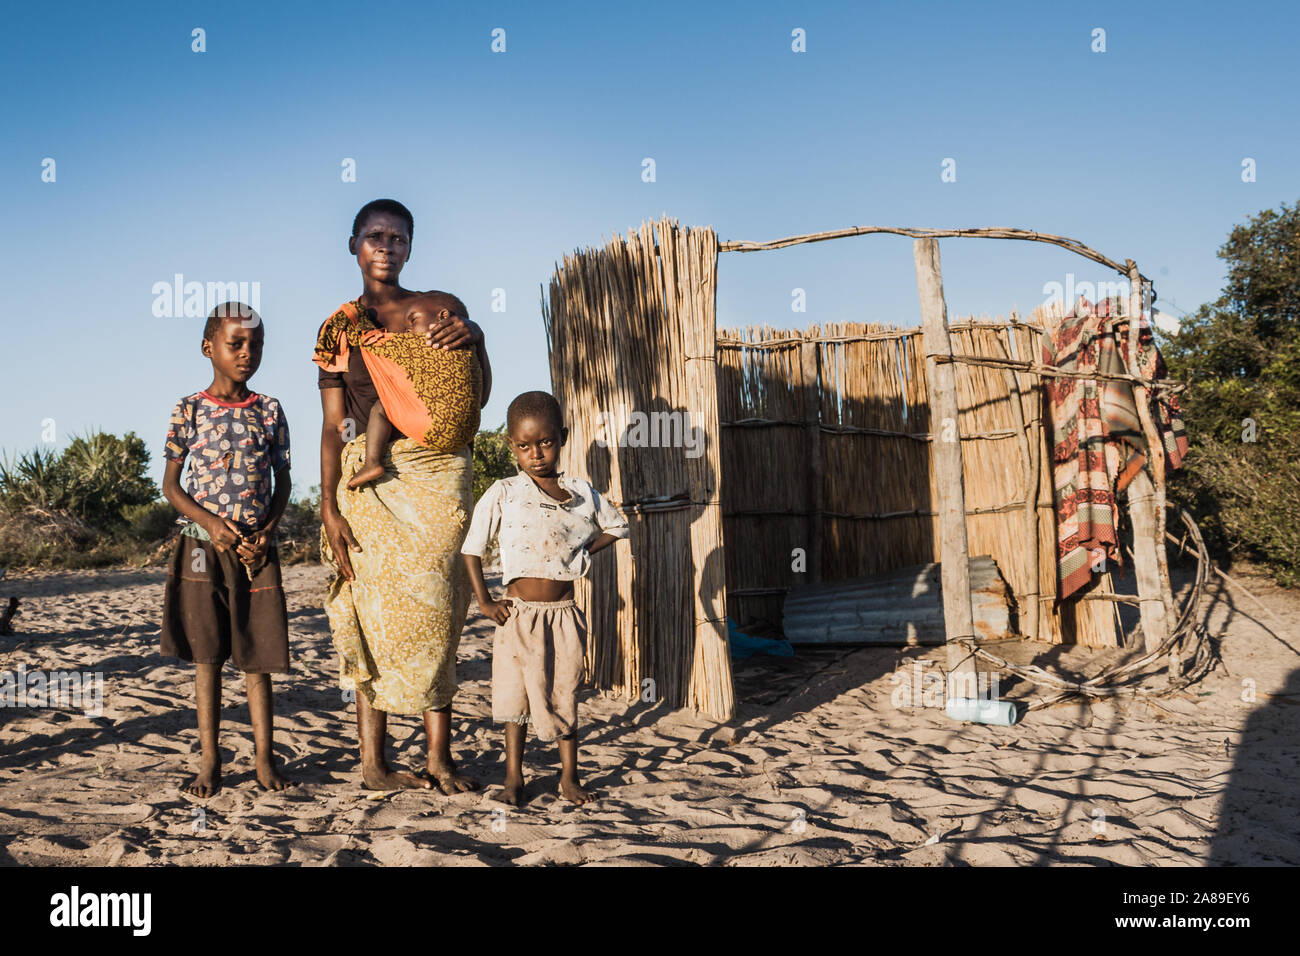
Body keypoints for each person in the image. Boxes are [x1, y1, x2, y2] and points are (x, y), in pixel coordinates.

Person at [318, 198, 491, 792]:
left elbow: (473, 399)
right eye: (374, 236)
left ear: (410, 248)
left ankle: (438, 759)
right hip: (366, 486)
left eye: (397, 237)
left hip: (436, 477)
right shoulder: (339, 327)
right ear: (354, 245)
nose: (385, 246)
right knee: (373, 614)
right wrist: (328, 506)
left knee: (439, 614)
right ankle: (374, 763)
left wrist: (476, 339)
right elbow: (331, 424)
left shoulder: (439, 314)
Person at [461, 391, 628, 806]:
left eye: (545, 442)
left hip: (563, 614)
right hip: (515, 615)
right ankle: (514, 779)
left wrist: (584, 550)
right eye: (524, 445)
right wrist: (484, 601)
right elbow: (471, 549)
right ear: (511, 446)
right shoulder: (503, 493)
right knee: (514, 697)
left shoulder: (580, 493)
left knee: (563, 692)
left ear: (562, 437)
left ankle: (568, 777)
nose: (535, 453)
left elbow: (619, 526)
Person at [160, 302, 292, 797]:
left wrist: (268, 531)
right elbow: (172, 487)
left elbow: (283, 482)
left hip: (257, 552)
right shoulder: (188, 409)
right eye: (235, 343)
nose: (247, 353)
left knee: (257, 658)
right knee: (208, 656)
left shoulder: (270, 409)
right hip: (202, 547)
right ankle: (211, 762)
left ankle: (263, 759)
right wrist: (212, 524)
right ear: (207, 348)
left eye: (255, 344)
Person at [312, 289, 480, 490]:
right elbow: (481, 395)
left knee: (383, 405)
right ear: (354, 253)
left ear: (443, 316)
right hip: (464, 433)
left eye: (413, 321)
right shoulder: (466, 348)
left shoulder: (427, 340)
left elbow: (377, 344)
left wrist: (361, 331)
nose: (408, 331)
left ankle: (372, 462)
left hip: (434, 450)